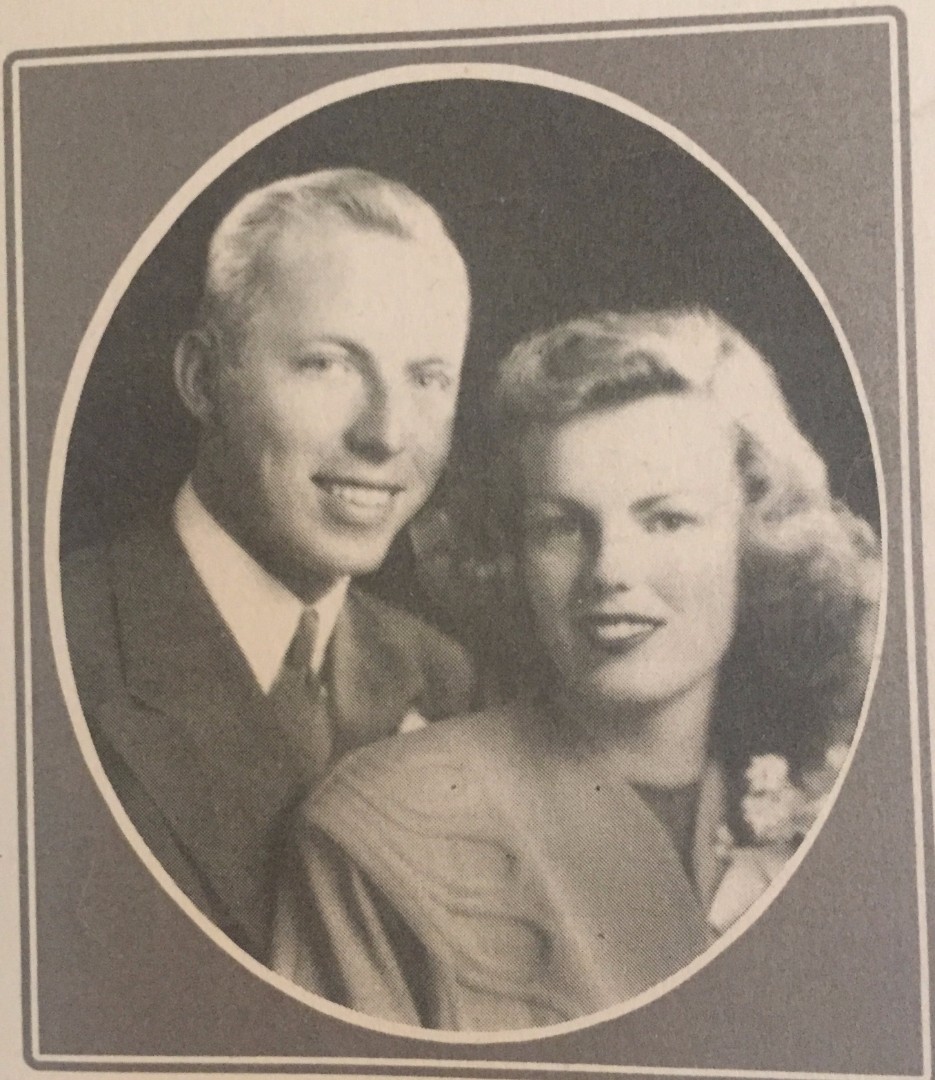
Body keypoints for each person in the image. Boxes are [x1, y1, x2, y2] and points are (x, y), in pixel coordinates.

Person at [272, 307, 881, 1031]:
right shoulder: (379, 829)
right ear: (511, 554)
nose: (609, 569)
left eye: (667, 519)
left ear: (752, 539)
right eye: (560, 526)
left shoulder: (824, 793)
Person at [61, 168, 476, 963]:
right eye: (329, 364)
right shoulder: (52, 644)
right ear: (202, 379)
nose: (387, 434)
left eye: (427, 378)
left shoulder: (442, 676)